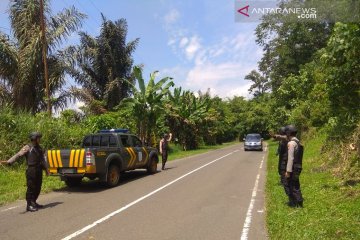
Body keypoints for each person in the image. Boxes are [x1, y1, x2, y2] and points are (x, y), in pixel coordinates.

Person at [0, 132, 49, 212]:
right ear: (34, 138)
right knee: (31, 187)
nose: (39, 139)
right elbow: (18, 155)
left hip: (39, 169)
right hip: (31, 170)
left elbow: (43, 160)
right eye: (38, 138)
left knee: (38, 187)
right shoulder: (28, 147)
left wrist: (46, 169)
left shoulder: (40, 148)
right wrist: (9, 162)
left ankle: (34, 202)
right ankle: (29, 205)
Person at [284, 125, 304, 208]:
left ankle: (296, 203)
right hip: (298, 166)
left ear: (289, 133)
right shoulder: (298, 142)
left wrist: (288, 171)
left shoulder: (291, 143)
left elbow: (290, 158)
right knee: (296, 184)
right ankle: (298, 202)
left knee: (291, 185)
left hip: (293, 168)